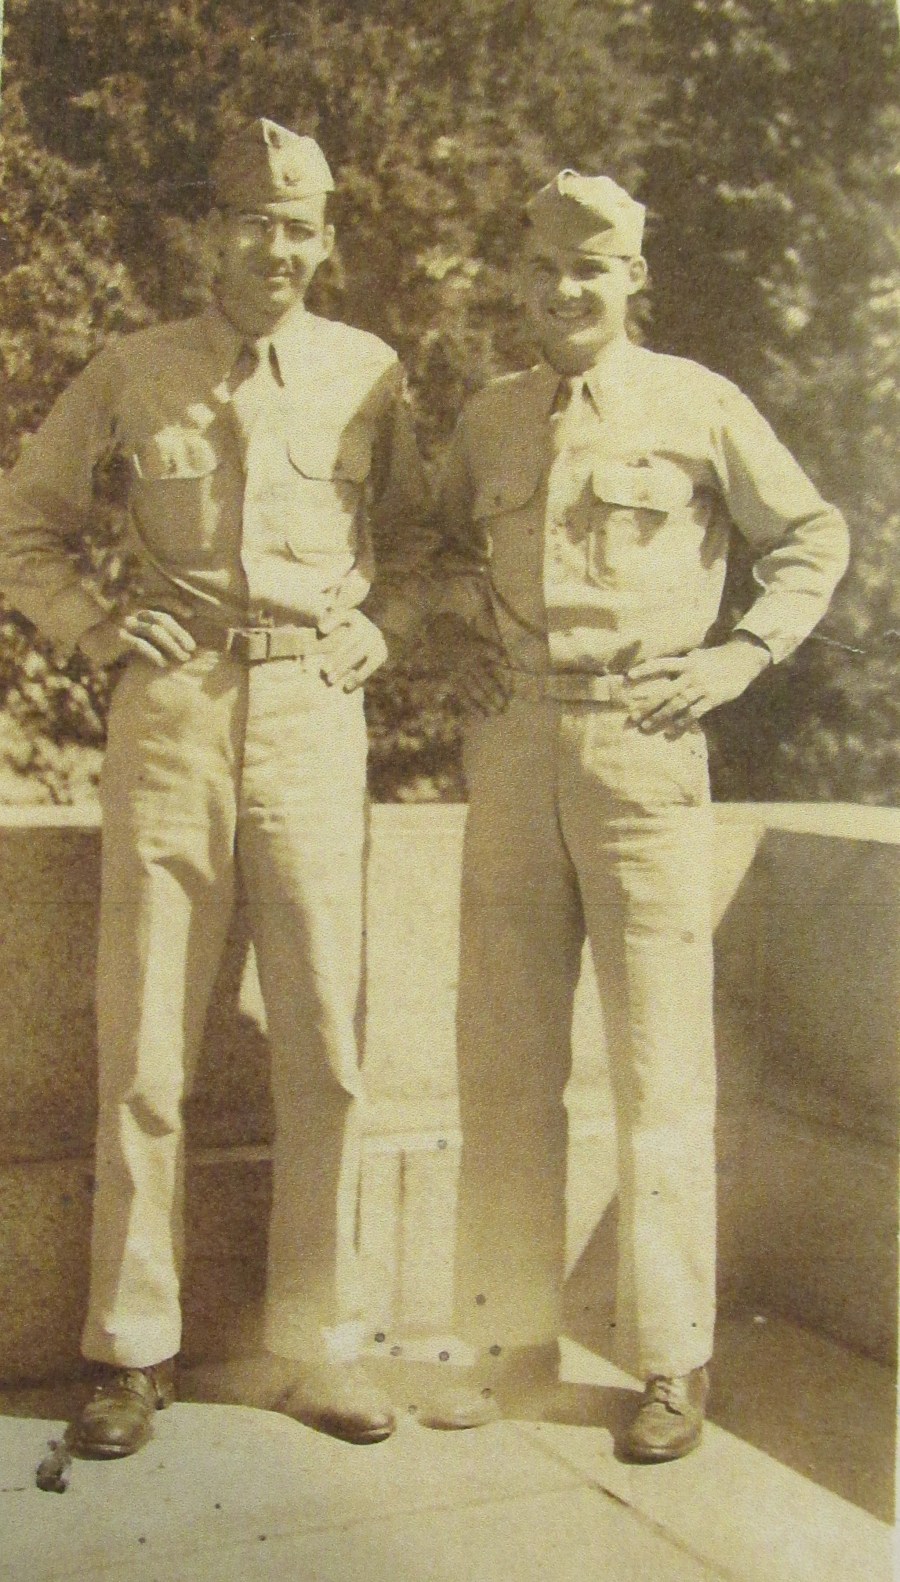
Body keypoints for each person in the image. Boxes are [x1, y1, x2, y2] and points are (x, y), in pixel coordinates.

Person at [0, 118, 429, 1456]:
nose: (276, 250)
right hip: (173, 719)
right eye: (254, 226)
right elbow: (24, 520)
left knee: (327, 1046)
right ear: (213, 235)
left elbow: (424, 554)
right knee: (144, 1046)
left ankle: (324, 1345)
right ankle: (129, 1351)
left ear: (322, 241)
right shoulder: (136, 370)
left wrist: (385, 629)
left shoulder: (369, 374)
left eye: (299, 230)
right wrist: (89, 624)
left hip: (312, 715)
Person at [419, 170, 849, 1460]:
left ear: (630, 283)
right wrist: (451, 632)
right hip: (510, 749)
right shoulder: (491, 417)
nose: (565, 293)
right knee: (502, 1062)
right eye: (546, 270)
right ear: (522, 280)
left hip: (644, 747)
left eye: (591, 273)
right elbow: (430, 545)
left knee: (661, 1069)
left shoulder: (699, 403)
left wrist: (737, 658)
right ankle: (504, 1337)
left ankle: (670, 1365)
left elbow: (811, 536)